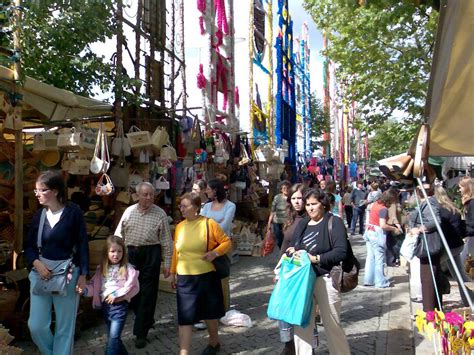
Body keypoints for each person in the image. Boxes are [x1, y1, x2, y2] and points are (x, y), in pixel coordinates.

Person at [24, 170, 89, 354]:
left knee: (64, 327)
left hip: (68, 274)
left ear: (55, 191)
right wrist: (36, 263)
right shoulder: (39, 216)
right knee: (36, 325)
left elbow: (83, 243)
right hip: (40, 274)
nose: (36, 194)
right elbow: (28, 245)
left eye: (41, 190)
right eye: (36, 190)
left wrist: (83, 275)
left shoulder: (73, 212)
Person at [286, 189, 351, 354]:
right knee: (302, 324)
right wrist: (292, 253)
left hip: (326, 278)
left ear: (323, 204)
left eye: (313, 204)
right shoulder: (303, 224)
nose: (310, 208)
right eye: (308, 205)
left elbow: (341, 252)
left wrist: (315, 258)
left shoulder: (333, 222)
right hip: (303, 280)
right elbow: (294, 246)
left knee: (332, 324)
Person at [170, 192, 232, 355]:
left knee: (209, 312)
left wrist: (215, 253)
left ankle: (214, 341)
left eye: (185, 206)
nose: (181, 209)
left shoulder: (208, 224)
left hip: (206, 275)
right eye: (180, 206)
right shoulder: (179, 227)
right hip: (184, 277)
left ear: (196, 208)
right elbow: (176, 252)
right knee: (185, 316)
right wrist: (172, 272)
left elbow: (226, 242)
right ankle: (184, 352)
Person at [114, 181, 173, 349]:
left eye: (151, 195)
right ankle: (146, 318)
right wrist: (116, 258)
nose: (148, 198)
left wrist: (168, 263)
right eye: (145, 194)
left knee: (148, 293)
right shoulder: (129, 211)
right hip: (131, 254)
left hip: (151, 254)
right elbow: (119, 234)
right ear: (137, 195)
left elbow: (167, 241)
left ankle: (141, 333)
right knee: (132, 292)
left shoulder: (160, 214)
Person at [76, 235, 139, 355]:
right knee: (115, 340)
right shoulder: (101, 269)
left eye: (119, 251)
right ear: (107, 253)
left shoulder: (128, 269)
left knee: (113, 339)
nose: (116, 254)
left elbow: (133, 287)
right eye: (113, 251)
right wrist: (83, 290)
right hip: (106, 308)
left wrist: (118, 295)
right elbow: (94, 287)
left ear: (124, 253)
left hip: (120, 308)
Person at [277, 183, 308, 354]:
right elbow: (285, 244)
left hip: (302, 271)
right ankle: (289, 344)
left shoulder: (309, 219)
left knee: (302, 310)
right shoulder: (291, 218)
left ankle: (304, 346)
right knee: (285, 309)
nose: (297, 202)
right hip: (288, 271)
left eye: (300, 198)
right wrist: (278, 269)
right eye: (293, 198)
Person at [434, 185, 473, 306]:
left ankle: (437, 297)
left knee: (434, 267)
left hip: (450, 246)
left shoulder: (440, 210)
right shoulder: (452, 207)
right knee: (459, 274)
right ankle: (469, 300)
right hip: (457, 245)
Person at [201, 178, 236, 312]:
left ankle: (224, 308)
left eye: (208, 189)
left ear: (215, 190)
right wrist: (215, 224)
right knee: (208, 277)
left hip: (222, 246)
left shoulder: (230, 206)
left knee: (223, 277)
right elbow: (201, 222)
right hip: (207, 245)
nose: (206, 191)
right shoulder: (207, 206)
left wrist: (209, 225)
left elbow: (225, 226)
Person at [409, 185, 442, 312]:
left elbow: (436, 221)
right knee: (428, 278)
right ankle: (432, 311)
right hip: (427, 244)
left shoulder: (429, 204)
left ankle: (429, 313)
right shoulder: (427, 203)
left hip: (429, 245)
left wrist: (419, 229)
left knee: (427, 279)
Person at [363, 190, 402, 288]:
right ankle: (380, 282)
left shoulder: (374, 204)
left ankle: (368, 279)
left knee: (370, 257)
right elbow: (383, 225)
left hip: (369, 231)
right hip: (377, 233)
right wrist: (394, 228)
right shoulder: (383, 209)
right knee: (379, 258)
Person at [267, 180, 291, 249]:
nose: (286, 190)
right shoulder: (277, 197)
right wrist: (269, 223)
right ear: (281, 189)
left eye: (287, 188)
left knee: (286, 237)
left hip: (287, 221)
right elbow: (272, 210)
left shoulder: (291, 198)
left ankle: (286, 250)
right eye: (284, 188)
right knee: (278, 238)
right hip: (277, 221)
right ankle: (282, 249)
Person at [459, 177, 474, 266]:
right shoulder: (469, 202)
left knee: (462, 260)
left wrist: (465, 228)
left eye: (461, 187)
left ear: (467, 187)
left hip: (472, 235)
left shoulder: (472, 203)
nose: (459, 190)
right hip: (471, 236)